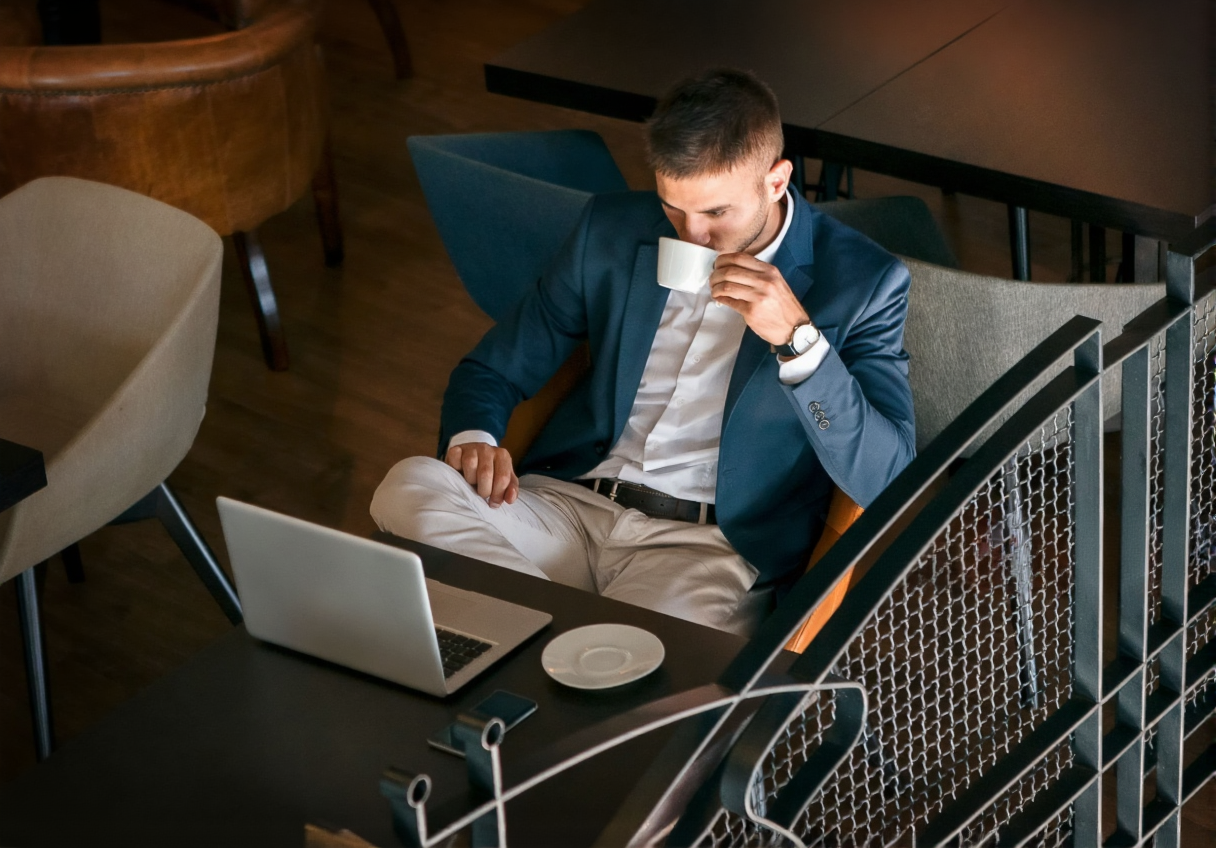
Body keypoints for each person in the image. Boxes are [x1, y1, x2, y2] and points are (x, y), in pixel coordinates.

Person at [372, 68, 915, 635]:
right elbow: (492, 367)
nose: (691, 236)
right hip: (569, 506)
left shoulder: (864, 283)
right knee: (409, 486)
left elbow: (889, 478)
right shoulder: (609, 229)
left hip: (706, 545)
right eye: (674, 208)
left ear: (776, 181)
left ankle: (524, 628)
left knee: (640, 656)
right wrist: (476, 441)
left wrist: (801, 344)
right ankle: (558, 640)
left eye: (716, 213)